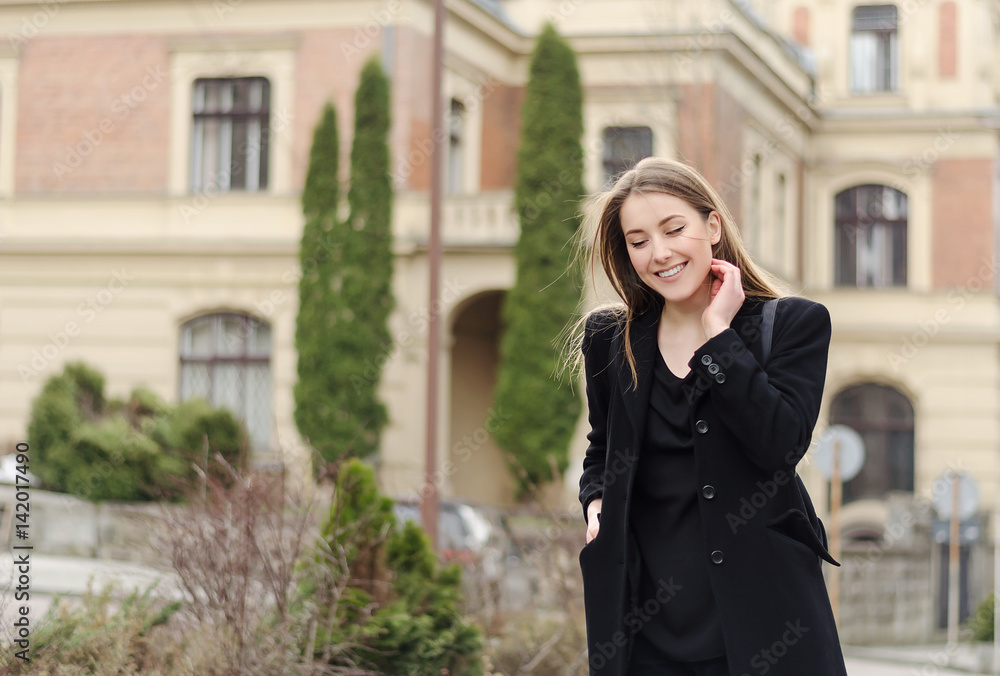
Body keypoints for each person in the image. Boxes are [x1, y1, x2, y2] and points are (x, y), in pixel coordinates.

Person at [567, 157, 848, 676]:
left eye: (674, 229)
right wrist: (596, 502)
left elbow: (780, 446)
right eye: (638, 240)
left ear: (712, 227)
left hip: (764, 623)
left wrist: (720, 335)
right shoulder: (611, 340)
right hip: (641, 629)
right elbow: (601, 449)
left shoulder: (791, 326)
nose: (660, 253)